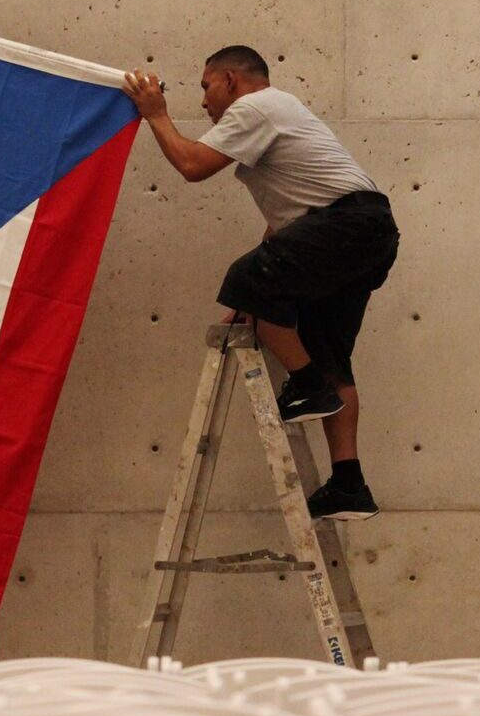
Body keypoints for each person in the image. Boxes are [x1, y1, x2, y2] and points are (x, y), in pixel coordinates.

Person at [120, 46, 399, 520]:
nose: (204, 101)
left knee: (246, 277)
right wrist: (256, 292)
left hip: (347, 227)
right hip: (366, 232)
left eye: (206, 86)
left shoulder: (256, 106)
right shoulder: (283, 115)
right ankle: (349, 484)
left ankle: (307, 385)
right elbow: (289, 227)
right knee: (329, 351)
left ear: (230, 79)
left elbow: (193, 166)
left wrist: (156, 115)